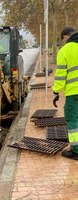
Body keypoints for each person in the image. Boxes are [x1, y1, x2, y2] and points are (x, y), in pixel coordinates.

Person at [52, 26, 78, 160]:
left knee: (73, 119)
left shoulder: (65, 50)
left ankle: (76, 150)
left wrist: (56, 91)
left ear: (66, 37)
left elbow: (61, 75)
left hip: (74, 92)